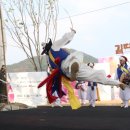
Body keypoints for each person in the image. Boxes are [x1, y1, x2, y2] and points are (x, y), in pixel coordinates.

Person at [38, 28, 126, 109]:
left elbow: (58, 74)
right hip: (71, 62)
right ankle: (117, 83)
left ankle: (118, 83)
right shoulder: (54, 46)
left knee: (93, 76)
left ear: (45, 51)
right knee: (95, 75)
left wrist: (71, 80)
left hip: (69, 73)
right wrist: (72, 33)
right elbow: (65, 39)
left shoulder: (50, 61)